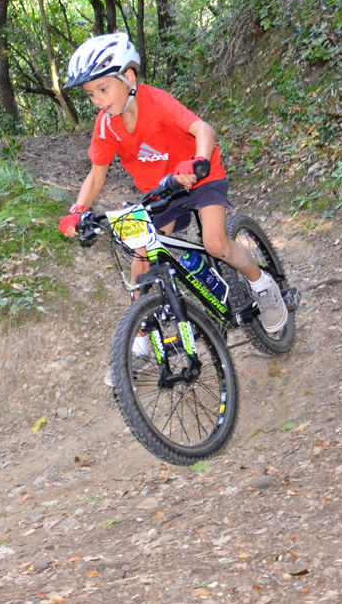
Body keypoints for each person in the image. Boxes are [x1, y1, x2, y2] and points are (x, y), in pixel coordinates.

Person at [56, 33, 287, 385]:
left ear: (128, 78)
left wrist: (199, 160)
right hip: (161, 192)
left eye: (103, 89)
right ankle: (139, 343)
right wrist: (78, 209)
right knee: (141, 254)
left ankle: (263, 285)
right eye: (90, 94)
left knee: (215, 243)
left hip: (201, 175)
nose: (98, 100)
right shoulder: (106, 125)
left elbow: (202, 128)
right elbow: (96, 174)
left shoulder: (157, 102)